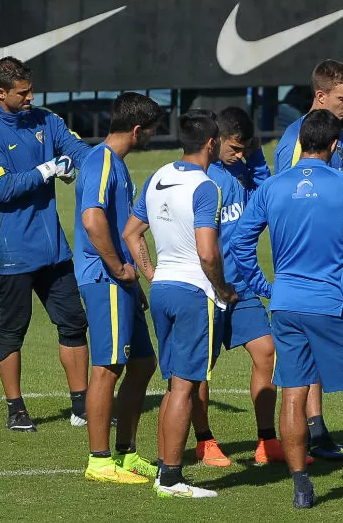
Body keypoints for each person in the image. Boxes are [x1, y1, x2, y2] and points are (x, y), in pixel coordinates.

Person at [230, 109, 343, 508]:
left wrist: (264, 287)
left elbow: (239, 243)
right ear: (335, 145)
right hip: (331, 304)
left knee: (293, 394)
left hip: (285, 305)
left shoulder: (273, 187)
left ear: (300, 142)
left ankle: (302, 487)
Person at [0, 56, 92, 432]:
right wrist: (49, 169)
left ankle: (82, 405)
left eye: (31, 90)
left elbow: (81, 152)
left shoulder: (46, 119)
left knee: (73, 322)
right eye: (22, 93)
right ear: (0, 92)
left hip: (53, 247)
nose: (30, 97)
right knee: (13, 328)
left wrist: (75, 162)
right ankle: (16, 408)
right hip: (11, 250)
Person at [123, 109, 238, 498]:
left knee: (176, 385)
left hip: (164, 290)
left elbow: (131, 232)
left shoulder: (157, 176)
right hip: (193, 293)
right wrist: (221, 288)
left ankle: (164, 472)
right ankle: (171, 479)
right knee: (186, 386)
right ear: (211, 144)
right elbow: (208, 253)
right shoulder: (207, 187)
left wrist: (153, 273)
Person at [190, 106, 295, 468]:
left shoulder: (243, 168)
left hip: (242, 287)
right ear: (214, 141)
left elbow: (270, 191)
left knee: (266, 351)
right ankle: (204, 441)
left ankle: (267, 440)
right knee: (201, 368)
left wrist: (255, 153)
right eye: (234, 148)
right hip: (207, 288)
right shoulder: (203, 176)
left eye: (244, 149)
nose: (239, 155)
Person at [75, 92, 161, 484]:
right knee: (108, 367)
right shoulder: (103, 162)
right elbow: (93, 219)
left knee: (143, 363)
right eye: (152, 131)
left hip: (121, 283)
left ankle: (126, 454)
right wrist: (118, 268)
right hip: (104, 278)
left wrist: (135, 282)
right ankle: (99, 460)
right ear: (138, 129)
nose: (154, 138)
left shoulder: (116, 164)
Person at [273, 58, 343, 460]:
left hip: (333, 268)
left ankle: (317, 429)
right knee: (315, 366)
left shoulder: (342, 139)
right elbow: (286, 202)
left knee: (315, 358)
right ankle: (312, 432)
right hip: (305, 271)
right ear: (320, 96)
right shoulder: (293, 143)